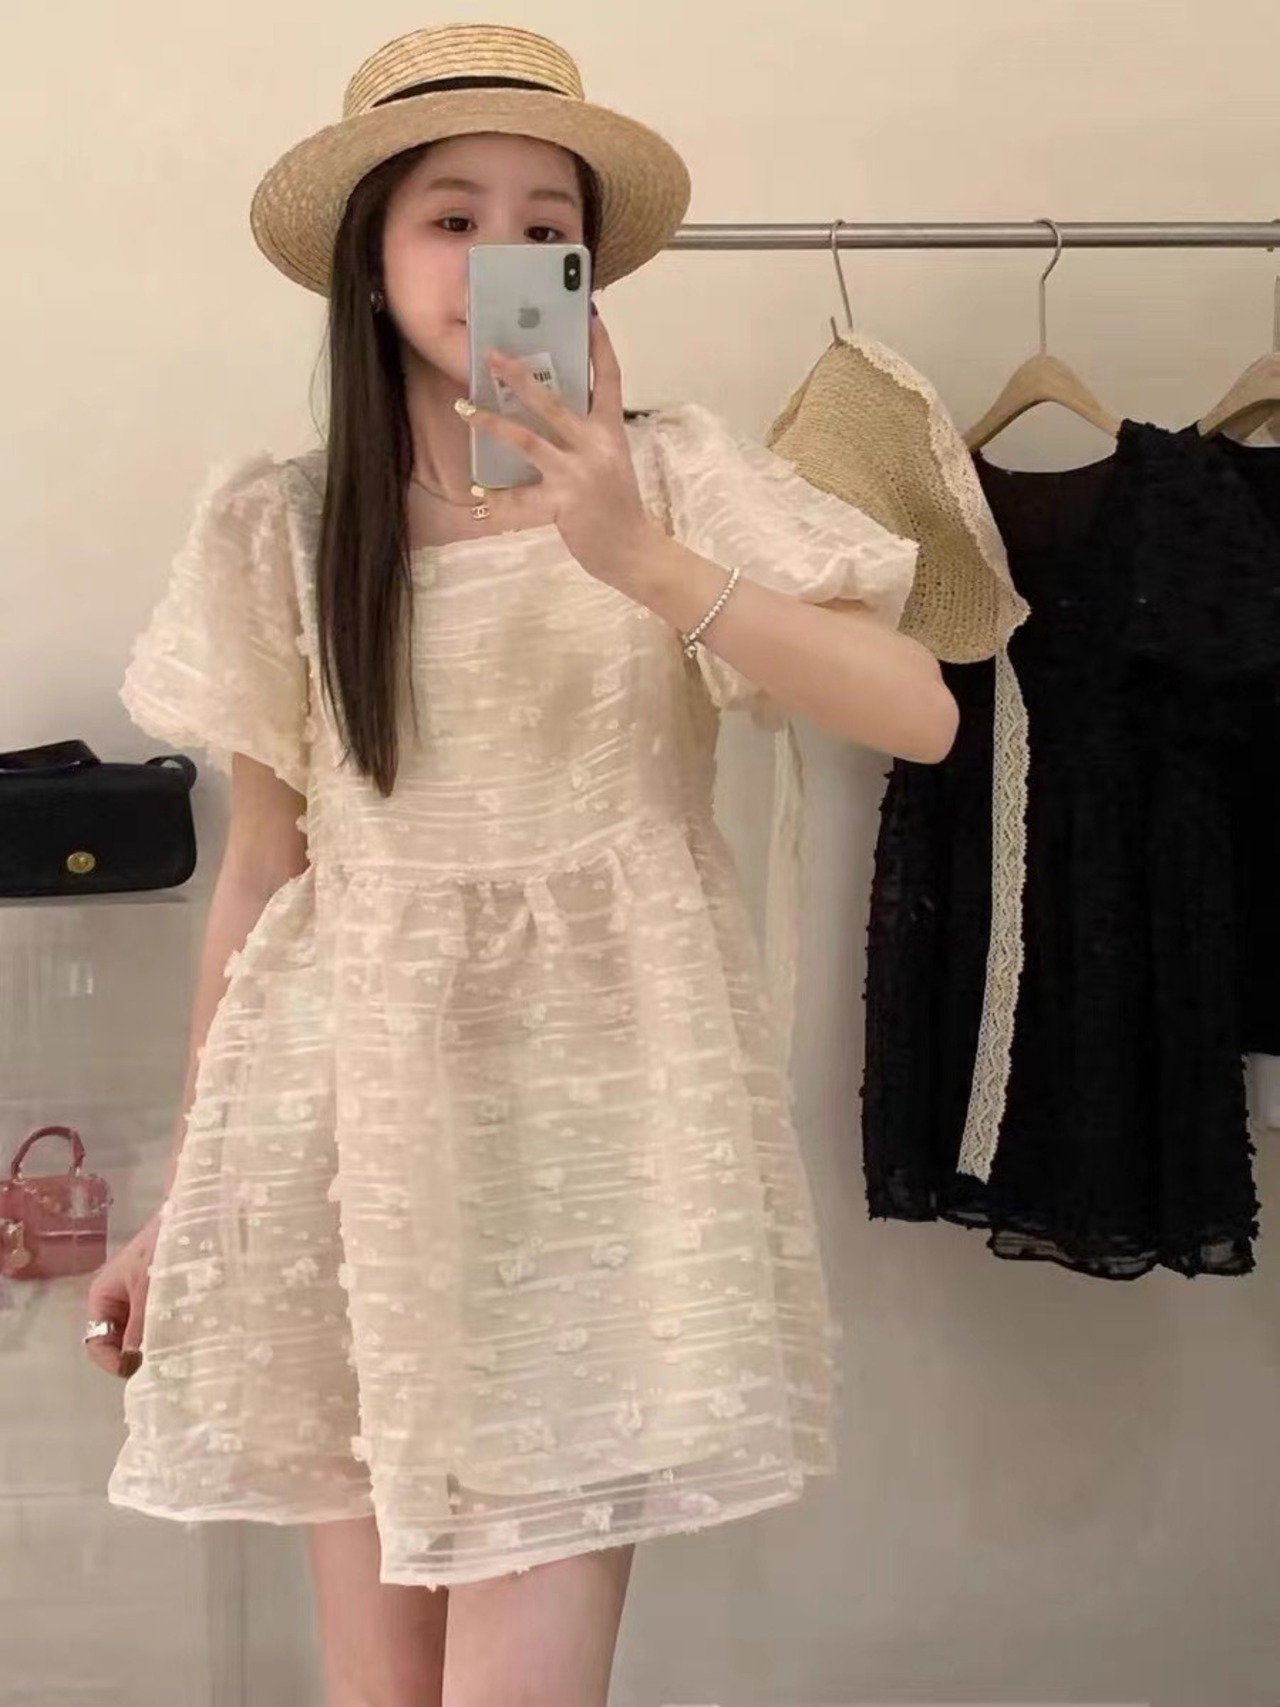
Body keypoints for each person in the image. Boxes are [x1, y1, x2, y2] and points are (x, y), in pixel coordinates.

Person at [84, 22, 957, 1707]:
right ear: (370, 260)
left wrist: (634, 556)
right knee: (379, 1690)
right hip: (353, 1122)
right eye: (454, 217)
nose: (502, 254)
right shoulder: (282, 524)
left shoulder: (676, 476)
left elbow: (918, 713)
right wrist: (183, 1205)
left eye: (544, 225)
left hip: (599, 1127)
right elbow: (260, 879)